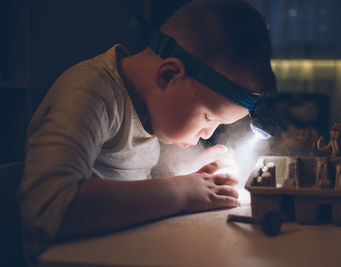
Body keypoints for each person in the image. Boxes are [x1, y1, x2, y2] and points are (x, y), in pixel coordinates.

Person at [18, 0, 276, 264]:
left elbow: (129, 194)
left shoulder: (148, 109)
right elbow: (50, 208)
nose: (207, 133)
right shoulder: (89, 94)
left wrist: (189, 178)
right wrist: (181, 192)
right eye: (208, 117)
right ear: (167, 75)